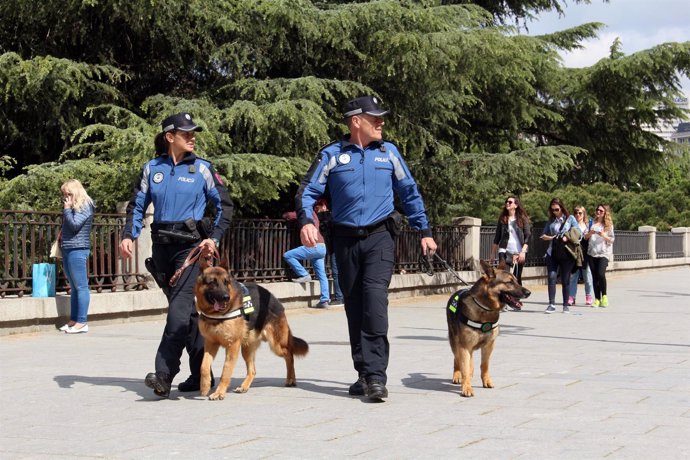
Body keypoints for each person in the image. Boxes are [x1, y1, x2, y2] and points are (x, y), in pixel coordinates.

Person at [295, 95, 437, 401]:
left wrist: (423, 230)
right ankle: (363, 373)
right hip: (345, 241)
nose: (381, 122)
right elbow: (307, 191)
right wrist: (307, 221)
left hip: (379, 238)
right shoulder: (331, 154)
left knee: (374, 302)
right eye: (375, 118)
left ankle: (376, 377)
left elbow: (409, 192)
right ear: (356, 121)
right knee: (355, 307)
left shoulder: (389, 154)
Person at [119, 112, 233, 398]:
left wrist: (213, 238)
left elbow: (225, 207)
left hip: (190, 250)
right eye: (186, 133)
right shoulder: (151, 169)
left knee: (178, 313)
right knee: (189, 316)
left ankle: (163, 374)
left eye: (193, 133)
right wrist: (128, 234)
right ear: (170, 137)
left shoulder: (203, 169)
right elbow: (137, 205)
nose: (192, 137)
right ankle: (200, 373)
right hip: (161, 249)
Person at [58, 179, 95, 334]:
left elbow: (74, 225)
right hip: (68, 248)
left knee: (81, 286)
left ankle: (82, 322)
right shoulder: (74, 207)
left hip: (78, 249)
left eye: (69, 194)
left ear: (76, 192)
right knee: (73, 287)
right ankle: (74, 320)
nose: (66, 197)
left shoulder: (86, 205)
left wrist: (66, 209)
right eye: (64, 195)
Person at [282, 199, 330, 308]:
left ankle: (304, 274)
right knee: (322, 275)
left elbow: (290, 215)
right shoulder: (315, 215)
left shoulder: (305, 212)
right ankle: (324, 300)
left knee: (288, 255)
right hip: (322, 246)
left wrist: (285, 215)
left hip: (314, 245)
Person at [540, 198, 580, 314]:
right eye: (552, 210)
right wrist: (547, 237)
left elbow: (579, 232)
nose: (555, 212)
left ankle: (565, 304)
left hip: (566, 253)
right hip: (552, 252)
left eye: (557, 209)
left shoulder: (570, 219)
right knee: (552, 277)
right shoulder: (551, 221)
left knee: (565, 279)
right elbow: (543, 233)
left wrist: (567, 236)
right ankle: (551, 304)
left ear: (562, 208)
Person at [489, 195, 531, 296]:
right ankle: (505, 299)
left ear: (516, 205)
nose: (507, 203)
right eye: (506, 202)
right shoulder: (503, 219)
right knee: (504, 277)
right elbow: (497, 237)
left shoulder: (522, 219)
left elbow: (528, 235)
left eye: (510, 202)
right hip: (504, 251)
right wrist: (492, 254)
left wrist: (523, 252)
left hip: (519, 251)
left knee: (516, 277)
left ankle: (517, 297)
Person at [586, 204, 615, 307]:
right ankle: (597, 298)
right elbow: (585, 237)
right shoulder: (591, 223)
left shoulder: (609, 225)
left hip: (603, 253)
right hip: (592, 253)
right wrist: (591, 232)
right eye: (597, 210)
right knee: (595, 277)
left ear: (605, 213)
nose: (598, 212)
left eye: (601, 211)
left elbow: (612, 240)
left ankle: (605, 296)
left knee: (601, 274)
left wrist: (603, 235)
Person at [568, 205, 594, 306]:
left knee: (587, 275)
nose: (578, 215)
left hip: (585, 253)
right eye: (576, 213)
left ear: (584, 214)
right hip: (574, 252)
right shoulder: (571, 225)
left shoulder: (588, 225)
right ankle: (572, 297)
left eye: (580, 213)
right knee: (573, 275)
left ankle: (588, 295)